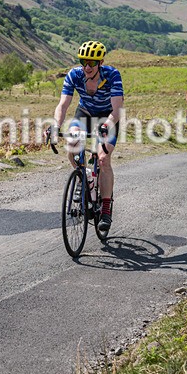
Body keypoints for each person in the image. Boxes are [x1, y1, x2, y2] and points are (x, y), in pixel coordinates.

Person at [49, 40, 124, 232]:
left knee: (103, 158)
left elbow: (117, 110)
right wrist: (56, 125)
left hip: (108, 116)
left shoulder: (112, 75)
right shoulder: (74, 75)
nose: (87, 67)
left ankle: (105, 209)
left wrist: (106, 125)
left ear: (101, 62)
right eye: (84, 62)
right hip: (85, 113)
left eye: (92, 62)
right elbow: (63, 105)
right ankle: (85, 178)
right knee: (72, 145)